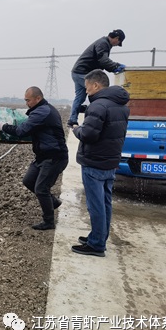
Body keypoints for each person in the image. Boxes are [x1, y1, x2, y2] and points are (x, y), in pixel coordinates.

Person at [71, 69, 130, 257]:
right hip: (110, 161)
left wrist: (76, 129)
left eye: (87, 89)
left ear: (96, 85)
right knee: (105, 203)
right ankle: (98, 236)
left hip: (94, 162)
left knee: (95, 205)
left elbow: (89, 134)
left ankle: (96, 245)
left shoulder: (98, 106)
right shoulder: (120, 105)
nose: (86, 93)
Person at [0, 87, 69, 230]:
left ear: (38, 99)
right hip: (42, 156)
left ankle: (48, 222)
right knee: (28, 181)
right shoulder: (42, 109)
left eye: (28, 100)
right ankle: (52, 202)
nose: (26, 103)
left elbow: (22, 131)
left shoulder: (43, 111)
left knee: (41, 188)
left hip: (55, 157)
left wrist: (3, 126)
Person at [68, 29, 126, 127]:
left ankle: (72, 120)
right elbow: (103, 60)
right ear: (116, 38)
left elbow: (102, 61)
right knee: (99, 92)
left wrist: (114, 66)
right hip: (83, 72)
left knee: (80, 98)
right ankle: (94, 114)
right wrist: (115, 66)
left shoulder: (104, 42)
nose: (117, 45)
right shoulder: (103, 43)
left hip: (77, 72)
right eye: (119, 42)